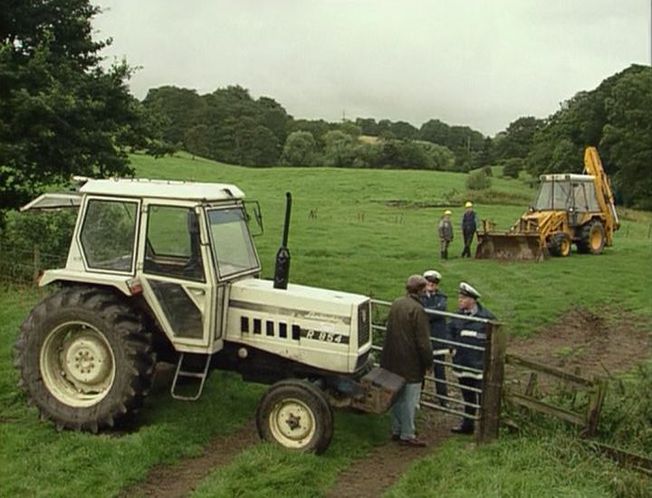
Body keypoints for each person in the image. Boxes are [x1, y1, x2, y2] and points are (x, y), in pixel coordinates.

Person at [380, 274, 433, 447]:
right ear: (419, 290)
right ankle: (408, 433)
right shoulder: (418, 310)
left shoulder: (396, 304)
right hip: (411, 363)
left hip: (392, 359)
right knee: (410, 400)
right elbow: (423, 342)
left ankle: (396, 429)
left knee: (396, 396)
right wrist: (428, 362)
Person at [448, 282, 496, 434]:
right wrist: (452, 348)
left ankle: (485, 425)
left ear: (472, 300)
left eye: (463, 298)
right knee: (467, 396)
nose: (459, 300)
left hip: (478, 365)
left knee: (483, 396)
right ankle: (468, 425)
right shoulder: (457, 316)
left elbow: (495, 338)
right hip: (462, 364)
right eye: (459, 297)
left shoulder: (486, 318)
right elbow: (449, 332)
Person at [420, 270, 449, 407]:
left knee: (440, 371)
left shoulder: (442, 297)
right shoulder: (419, 297)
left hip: (437, 340)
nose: (431, 285)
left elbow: (438, 311)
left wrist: (426, 312)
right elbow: (420, 312)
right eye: (428, 282)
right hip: (423, 339)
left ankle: (443, 399)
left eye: (434, 283)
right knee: (420, 370)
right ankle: (418, 396)